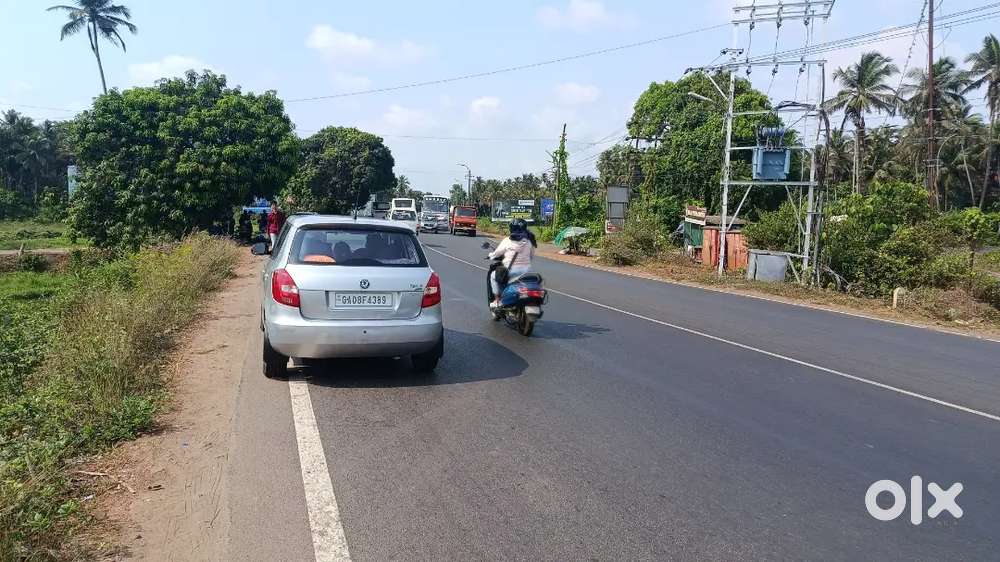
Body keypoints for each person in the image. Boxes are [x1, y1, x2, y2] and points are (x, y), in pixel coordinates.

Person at [488, 218, 534, 309]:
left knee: (493, 276)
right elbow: (531, 256)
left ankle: (497, 300)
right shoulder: (529, 241)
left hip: (512, 271)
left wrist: (491, 255)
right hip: (527, 271)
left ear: (511, 228)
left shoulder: (507, 240)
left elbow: (497, 253)